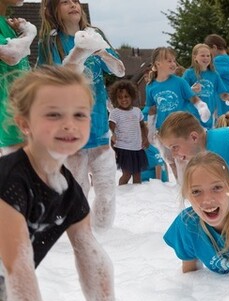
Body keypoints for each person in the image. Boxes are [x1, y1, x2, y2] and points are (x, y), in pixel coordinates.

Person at [0, 65, 120, 301]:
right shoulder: (10, 180)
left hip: (5, 300)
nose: (69, 124)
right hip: (9, 290)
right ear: (25, 123)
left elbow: (91, 254)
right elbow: (18, 270)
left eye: (80, 115)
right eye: (53, 115)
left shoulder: (67, 188)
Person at [37, 0, 125, 229]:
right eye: (65, 2)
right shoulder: (52, 42)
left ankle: (105, 236)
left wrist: (100, 50)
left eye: (75, 0)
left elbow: (119, 70)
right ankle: (80, 234)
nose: (73, 5)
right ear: (53, 10)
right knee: (78, 190)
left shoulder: (94, 34)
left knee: (107, 190)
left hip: (99, 128)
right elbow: (58, 80)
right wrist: (80, 51)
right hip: (69, 131)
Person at [144, 47, 209, 180]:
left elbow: (193, 98)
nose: (174, 64)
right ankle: (181, 185)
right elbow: (150, 108)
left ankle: (192, 184)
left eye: (174, 60)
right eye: (169, 61)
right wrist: (149, 127)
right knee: (171, 160)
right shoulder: (150, 86)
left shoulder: (180, 82)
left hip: (181, 129)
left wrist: (202, 107)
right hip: (163, 131)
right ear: (158, 64)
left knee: (185, 158)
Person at [0, 0, 36, 156]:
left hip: (19, 120)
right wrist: (30, 32)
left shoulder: (6, 24)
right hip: (7, 125)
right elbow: (11, 54)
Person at [158, 110, 229, 169]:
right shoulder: (219, 136)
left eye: (175, 147)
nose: (174, 155)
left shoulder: (214, 158)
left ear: (194, 137)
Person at [108, 80, 149, 185]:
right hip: (123, 148)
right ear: (115, 99)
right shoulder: (115, 113)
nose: (123, 99)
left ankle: (136, 197)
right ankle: (122, 195)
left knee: (137, 175)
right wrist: (111, 145)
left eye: (126, 96)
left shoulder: (137, 111)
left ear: (131, 96)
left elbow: (142, 126)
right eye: (120, 97)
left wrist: (145, 138)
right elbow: (110, 129)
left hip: (136, 147)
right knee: (126, 174)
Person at [182, 43, 229, 129]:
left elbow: (223, 94)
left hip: (209, 117)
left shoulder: (214, 74)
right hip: (191, 116)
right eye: (202, 55)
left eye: (208, 56)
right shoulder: (188, 73)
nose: (206, 58)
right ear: (195, 57)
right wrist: (191, 90)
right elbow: (181, 93)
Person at [204, 33, 229, 115]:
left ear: (214, 47)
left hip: (226, 105)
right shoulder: (227, 58)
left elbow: (205, 74)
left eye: (208, 51)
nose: (207, 56)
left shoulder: (219, 60)